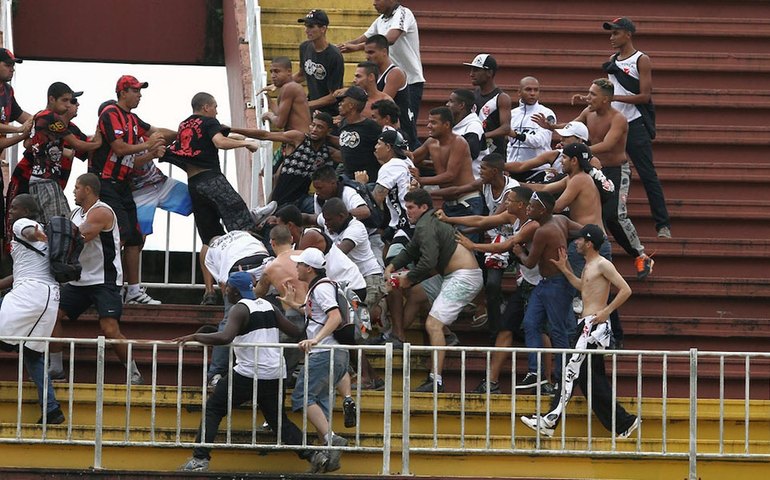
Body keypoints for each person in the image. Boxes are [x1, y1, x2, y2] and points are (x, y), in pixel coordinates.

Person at [176, 271, 323, 473]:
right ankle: (314, 455)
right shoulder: (268, 305)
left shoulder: (239, 309)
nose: (225, 292)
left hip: (249, 371)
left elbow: (226, 337)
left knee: (214, 409)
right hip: (274, 372)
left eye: (227, 288)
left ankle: (200, 459)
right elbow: (296, 332)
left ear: (233, 291)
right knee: (277, 420)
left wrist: (197, 336)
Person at [521, 224, 639, 439]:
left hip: (593, 327)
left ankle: (550, 420)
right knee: (590, 380)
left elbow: (626, 289)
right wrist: (565, 269)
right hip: (586, 325)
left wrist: (606, 312)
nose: (575, 242)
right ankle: (624, 423)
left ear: (589, 243)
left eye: (579, 240)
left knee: (570, 371)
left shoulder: (603, 264)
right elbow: (583, 288)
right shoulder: (589, 265)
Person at [160, 92, 260, 304]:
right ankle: (245, 280)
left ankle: (209, 292)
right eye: (215, 106)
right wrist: (246, 145)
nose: (217, 110)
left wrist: (239, 138)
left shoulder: (184, 125)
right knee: (242, 224)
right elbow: (219, 142)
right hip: (212, 179)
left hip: (194, 185)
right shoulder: (209, 121)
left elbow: (203, 143)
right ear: (206, 107)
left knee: (209, 238)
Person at [551, 78, 653, 280]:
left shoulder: (618, 118)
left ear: (606, 99)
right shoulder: (588, 113)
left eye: (592, 94)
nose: (587, 98)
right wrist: (551, 126)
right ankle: (597, 257)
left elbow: (607, 144)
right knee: (591, 210)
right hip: (592, 168)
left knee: (615, 215)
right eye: (588, 93)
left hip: (615, 170)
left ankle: (640, 255)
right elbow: (572, 126)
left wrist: (578, 151)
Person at [386, 188, 483, 392]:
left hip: (463, 278)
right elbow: (411, 249)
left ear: (423, 207)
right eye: (406, 208)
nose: (407, 212)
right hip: (450, 276)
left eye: (411, 208)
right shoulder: (426, 223)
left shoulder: (426, 226)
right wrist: (392, 266)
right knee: (415, 293)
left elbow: (428, 261)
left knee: (432, 325)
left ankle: (436, 380)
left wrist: (409, 278)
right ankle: (401, 335)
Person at [92, 75, 177, 305]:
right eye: (136, 90)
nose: (139, 95)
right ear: (123, 92)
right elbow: (119, 148)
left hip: (122, 184)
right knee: (117, 233)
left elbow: (156, 131)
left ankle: (133, 290)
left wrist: (180, 132)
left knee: (134, 237)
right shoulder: (110, 113)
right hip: (106, 182)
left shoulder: (133, 118)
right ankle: (109, 286)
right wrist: (148, 145)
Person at [50, 173, 143, 384]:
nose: (73, 191)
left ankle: (133, 373)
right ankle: (56, 369)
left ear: (88, 190)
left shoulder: (101, 211)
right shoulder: (75, 213)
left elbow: (79, 236)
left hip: (105, 280)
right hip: (79, 280)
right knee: (52, 316)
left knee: (109, 328)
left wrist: (51, 235)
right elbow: (67, 235)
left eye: (76, 188)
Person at [453, 187, 544, 394]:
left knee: (540, 331)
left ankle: (544, 379)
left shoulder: (532, 225)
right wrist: (450, 220)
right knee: (506, 328)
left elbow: (506, 246)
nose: (505, 204)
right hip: (525, 286)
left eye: (509, 200)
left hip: (541, 286)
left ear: (521, 205)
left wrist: (474, 246)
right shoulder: (514, 218)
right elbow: (482, 221)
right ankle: (491, 381)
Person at [434, 153, 519, 337]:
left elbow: (488, 221)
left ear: (495, 171)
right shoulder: (484, 183)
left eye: (483, 169)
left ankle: (504, 324)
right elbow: (458, 190)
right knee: (491, 283)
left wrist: (452, 223)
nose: (479, 171)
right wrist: (429, 193)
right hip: (498, 238)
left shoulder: (512, 191)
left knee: (496, 283)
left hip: (518, 238)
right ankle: (494, 327)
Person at [602, 17, 671, 239]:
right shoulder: (612, 60)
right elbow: (608, 95)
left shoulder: (641, 59)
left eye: (616, 33)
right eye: (611, 34)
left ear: (628, 34)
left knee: (647, 174)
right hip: (615, 125)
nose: (612, 38)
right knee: (607, 172)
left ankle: (663, 224)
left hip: (635, 124)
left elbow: (644, 96)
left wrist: (612, 97)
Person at [281, 248, 349, 473]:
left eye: (299, 264)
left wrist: (316, 340)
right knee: (320, 402)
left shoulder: (321, 288)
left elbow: (334, 315)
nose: (296, 267)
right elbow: (315, 315)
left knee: (302, 398)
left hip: (325, 352)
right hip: (335, 353)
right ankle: (329, 456)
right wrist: (291, 304)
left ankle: (331, 439)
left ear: (309, 268)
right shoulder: (320, 288)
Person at [0, 194, 64, 424]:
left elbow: (27, 230)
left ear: (26, 211)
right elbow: (20, 274)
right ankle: (51, 409)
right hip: (48, 299)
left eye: (15, 207)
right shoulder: (47, 234)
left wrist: (34, 234)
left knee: (8, 342)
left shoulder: (22, 225)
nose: (11, 211)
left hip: (28, 296)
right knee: (33, 356)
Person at [5, 82, 101, 230]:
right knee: (58, 227)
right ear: (52, 99)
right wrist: (98, 142)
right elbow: (29, 143)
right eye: (67, 100)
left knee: (49, 226)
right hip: (34, 177)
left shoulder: (68, 127)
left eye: (72, 101)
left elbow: (83, 147)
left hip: (48, 180)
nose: (71, 105)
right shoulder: (47, 117)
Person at [512, 191, 582, 390]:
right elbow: (588, 230)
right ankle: (536, 373)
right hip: (546, 283)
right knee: (530, 322)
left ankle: (562, 379)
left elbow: (530, 262)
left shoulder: (544, 231)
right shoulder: (560, 220)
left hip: (556, 284)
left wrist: (519, 252)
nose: (528, 208)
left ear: (542, 210)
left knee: (558, 331)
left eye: (532, 206)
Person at [355, 130, 414, 346]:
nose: (375, 148)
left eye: (378, 143)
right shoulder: (406, 162)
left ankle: (397, 334)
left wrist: (361, 185)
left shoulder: (391, 167)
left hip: (407, 227)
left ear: (389, 147)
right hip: (401, 226)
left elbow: (375, 203)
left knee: (391, 277)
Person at [339, 0, 425, 128]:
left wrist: (357, 47)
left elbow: (389, 39)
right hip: (386, 74)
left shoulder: (403, 13)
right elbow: (364, 38)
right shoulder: (381, 20)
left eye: (377, 0)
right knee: (381, 119)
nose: (374, 3)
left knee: (405, 124)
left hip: (409, 80)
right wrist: (341, 47)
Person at [203, 230, 271, 386]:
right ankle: (267, 371)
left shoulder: (212, 252)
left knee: (229, 320)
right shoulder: (241, 234)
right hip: (263, 263)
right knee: (267, 312)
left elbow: (223, 283)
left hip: (238, 268)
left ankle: (215, 373)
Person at [236, 112, 336, 213]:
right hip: (281, 201)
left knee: (327, 210)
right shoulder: (299, 138)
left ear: (329, 131)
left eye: (320, 127)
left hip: (303, 201)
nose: (314, 129)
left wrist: (330, 138)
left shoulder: (326, 152)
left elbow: (349, 152)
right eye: (313, 125)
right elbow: (265, 135)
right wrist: (232, 129)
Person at [411, 107, 480, 219]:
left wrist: (421, 180)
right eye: (428, 122)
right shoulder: (430, 143)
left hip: (467, 202)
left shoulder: (459, 143)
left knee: (463, 237)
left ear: (446, 125)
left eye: (433, 123)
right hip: (448, 204)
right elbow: (411, 159)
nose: (428, 126)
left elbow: (450, 175)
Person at [321, 197, 386, 311]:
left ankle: (379, 314)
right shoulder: (331, 220)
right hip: (352, 281)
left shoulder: (356, 228)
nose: (326, 224)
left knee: (359, 318)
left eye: (329, 220)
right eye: (325, 220)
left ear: (341, 217)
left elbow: (339, 254)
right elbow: (309, 217)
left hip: (370, 279)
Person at [0, 48, 33, 236]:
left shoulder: (7, 91)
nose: (12, 69)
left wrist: (44, 120)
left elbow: (21, 116)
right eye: (7, 65)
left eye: (13, 65)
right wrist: (19, 131)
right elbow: (20, 125)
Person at [363, 34, 417, 148]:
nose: (367, 57)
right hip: (385, 131)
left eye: (371, 52)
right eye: (366, 53)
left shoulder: (395, 73)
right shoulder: (374, 74)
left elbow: (381, 105)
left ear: (384, 51)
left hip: (402, 134)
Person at [295, 9, 344, 117]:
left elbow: (333, 96)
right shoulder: (304, 47)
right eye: (306, 26)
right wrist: (278, 83)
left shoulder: (334, 55)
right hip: (312, 107)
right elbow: (301, 75)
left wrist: (306, 105)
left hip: (329, 113)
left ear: (323, 29)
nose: (307, 30)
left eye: (311, 26)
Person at [507, 77, 557, 182]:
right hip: (513, 171)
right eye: (528, 89)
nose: (533, 93)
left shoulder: (547, 114)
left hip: (537, 171)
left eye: (536, 90)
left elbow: (539, 141)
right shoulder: (512, 114)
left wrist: (516, 135)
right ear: (519, 92)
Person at [330, 86, 382, 182]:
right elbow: (346, 145)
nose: (339, 104)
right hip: (347, 176)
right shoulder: (343, 123)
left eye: (342, 101)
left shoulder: (371, 127)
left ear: (351, 105)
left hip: (366, 180)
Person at [463, 54, 512, 157]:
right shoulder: (473, 95)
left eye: (476, 70)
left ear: (489, 72)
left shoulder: (501, 98)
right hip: (475, 151)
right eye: (471, 70)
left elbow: (506, 128)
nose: (471, 74)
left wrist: (481, 136)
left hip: (493, 154)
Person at [260, 57, 310, 133]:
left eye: (277, 71)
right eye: (271, 72)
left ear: (289, 72)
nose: (273, 75)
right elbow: (281, 115)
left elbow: (280, 123)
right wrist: (269, 101)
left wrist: (269, 115)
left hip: (301, 140)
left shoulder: (289, 88)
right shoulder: (288, 87)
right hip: (298, 139)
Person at [446, 89, 485, 178]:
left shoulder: (474, 126)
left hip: (473, 180)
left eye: (451, 101)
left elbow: (470, 153)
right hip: (455, 178)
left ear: (461, 105)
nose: (447, 104)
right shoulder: (453, 125)